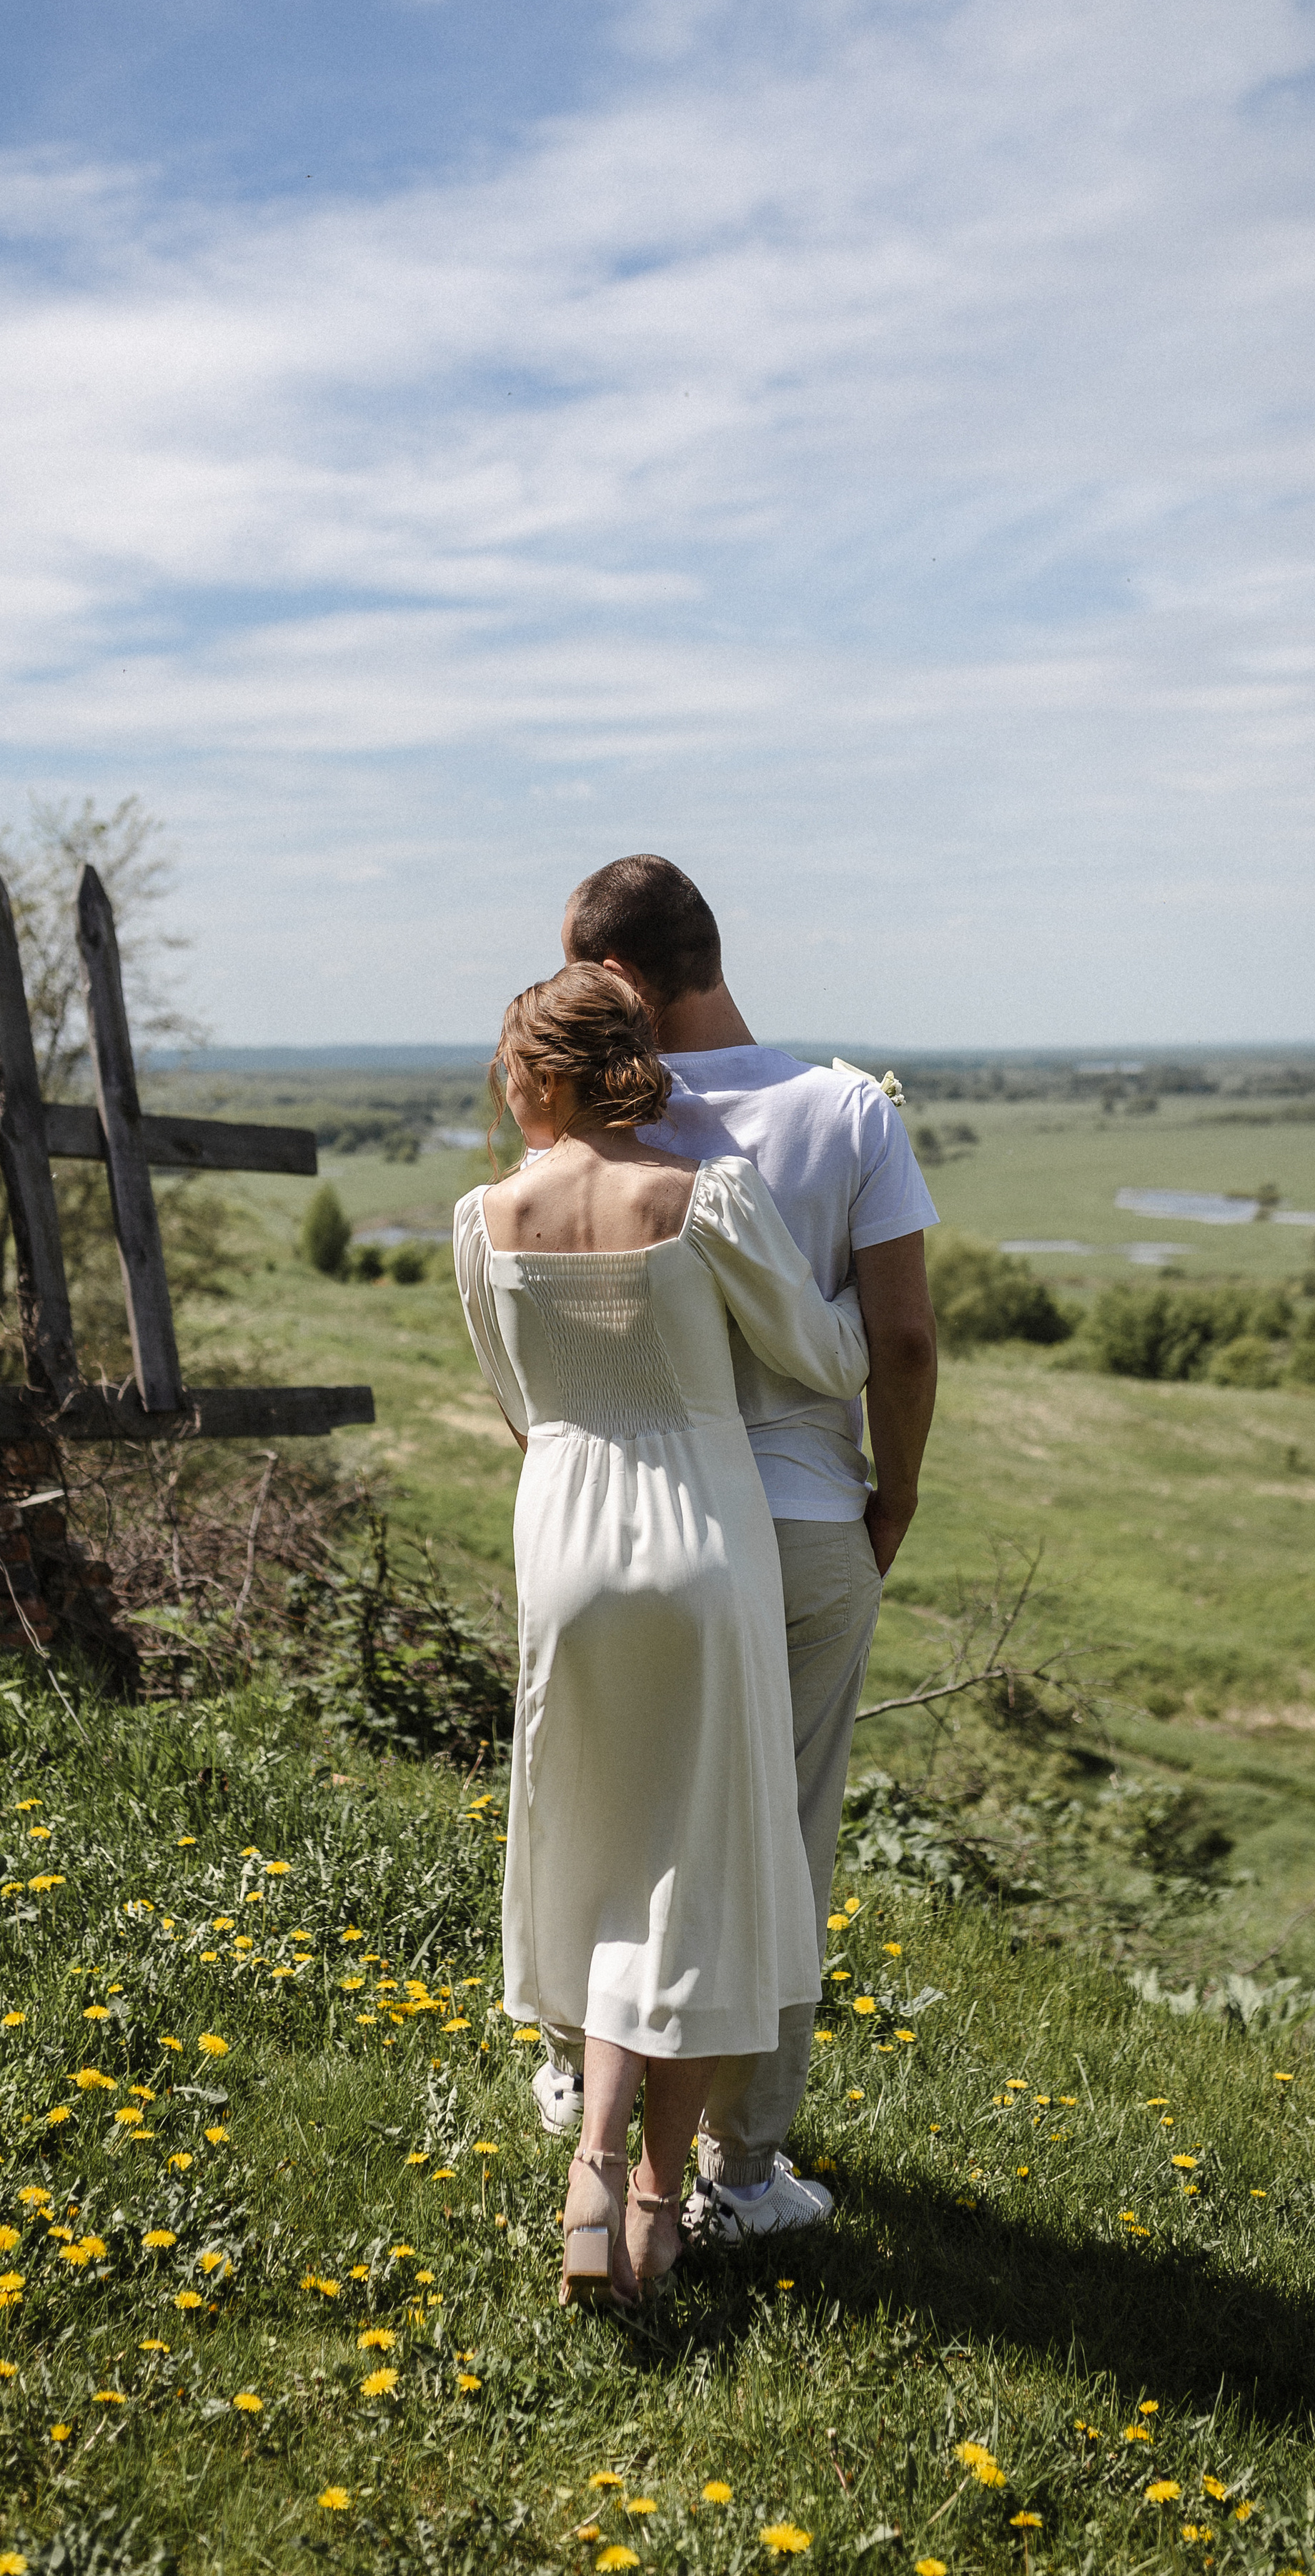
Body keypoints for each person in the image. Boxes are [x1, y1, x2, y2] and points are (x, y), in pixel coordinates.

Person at [452, 964, 869, 2304]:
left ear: (542, 1074)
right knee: (702, 1870)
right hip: (702, 1539)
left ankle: (589, 2163)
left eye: (510, 1067)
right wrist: (865, 1292)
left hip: (564, 1545)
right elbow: (826, 1356)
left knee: (597, 1852)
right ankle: (654, 2201)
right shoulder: (704, 1199)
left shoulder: (486, 1219)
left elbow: (518, 1401)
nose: (504, 1086)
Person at [539, 854, 940, 2242]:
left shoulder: (594, 1117)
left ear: (617, 977)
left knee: (623, 1815)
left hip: (640, 1521)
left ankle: (580, 2090)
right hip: (810, 1520)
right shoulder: (849, 1109)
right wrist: (893, 1498)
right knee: (782, 1844)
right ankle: (739, 2173)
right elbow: (901, 1337)